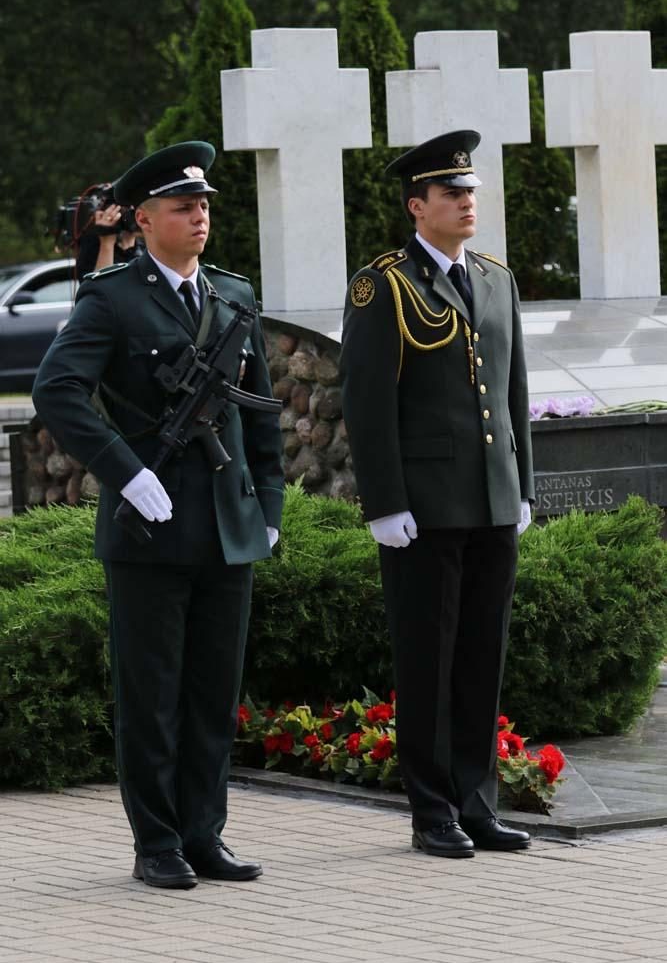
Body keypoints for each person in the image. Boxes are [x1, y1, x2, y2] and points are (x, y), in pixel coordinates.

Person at [33, 141, 284, 888]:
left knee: (212, 695)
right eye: (182, 207)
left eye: (203, 205)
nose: (198, 217)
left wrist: (266, 506)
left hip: (226, 527)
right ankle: (158, 844)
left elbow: (261, 420)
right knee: (152, 696)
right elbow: (58, 391)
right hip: (149, 529)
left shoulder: (233, 294)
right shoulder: (111, 297)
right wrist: (124, 471)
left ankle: (205, 834)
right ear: (143, 220)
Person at [340, 130, 534, 858]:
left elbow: (512, 391)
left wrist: (522, 485)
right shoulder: (383, 284)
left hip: (489, 498)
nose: (465, 202)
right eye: (450, 193)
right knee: (427, 656)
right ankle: (431, 812)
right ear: (416, 206)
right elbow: (366, 400)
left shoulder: (494, 278)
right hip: (421, 508)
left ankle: (475, 803)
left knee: (481, 655)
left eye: (470, 192)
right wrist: (385, 502)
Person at [74, 191, 144, 281]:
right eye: (129, 210)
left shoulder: (145, 248)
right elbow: (98, 290)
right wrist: (107, 242)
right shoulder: (93, 245)